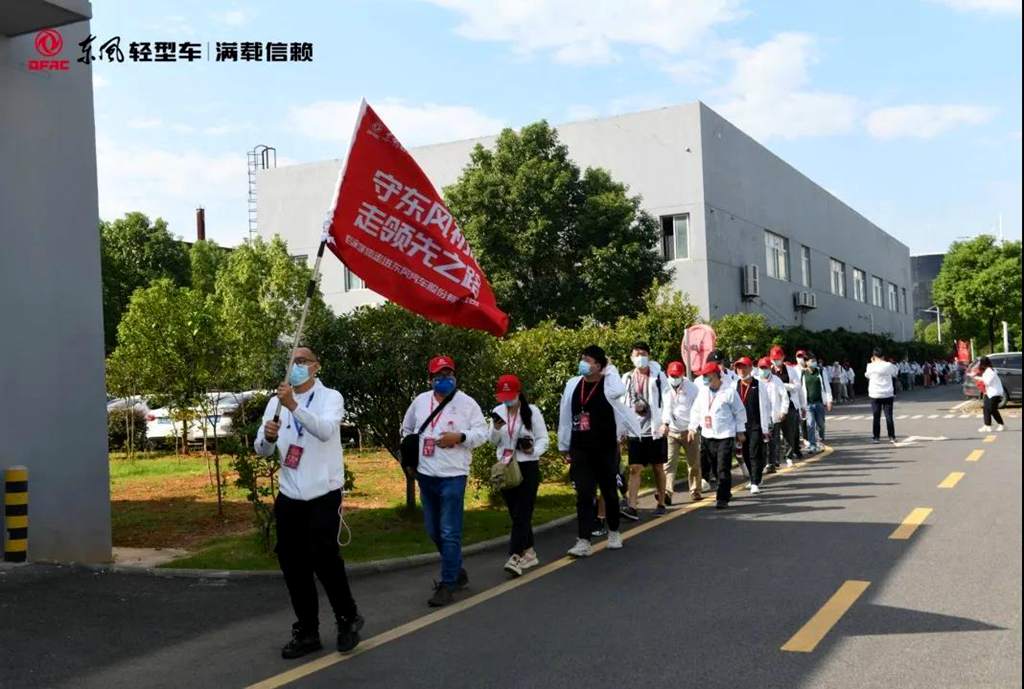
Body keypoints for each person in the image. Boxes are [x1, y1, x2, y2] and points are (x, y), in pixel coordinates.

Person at [255, 346, 363, 658]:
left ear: (316, 367)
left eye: (302, 361)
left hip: (323, 492)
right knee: (292, 564)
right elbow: (261, 449)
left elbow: (326, 431)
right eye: (292, 361)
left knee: (325, 559)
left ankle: (347, 618)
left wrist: (294, 406)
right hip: (290, 493)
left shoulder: (331, 397)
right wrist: (269, 437)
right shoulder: (275, 402)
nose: (297, 366)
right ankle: (307, 629)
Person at [401, 355, 488, 607]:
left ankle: (448, 584)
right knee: (433, 530)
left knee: (450, 531)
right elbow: (407, 429)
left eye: (448, 375)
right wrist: (410, 456)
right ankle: (457, 569)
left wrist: (459, 437)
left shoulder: (467, 404)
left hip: (453, 476)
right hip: (426, 475)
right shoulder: (419, 402)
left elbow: (482, 433)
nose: (444, 379)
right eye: (439, 376)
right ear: (430, 379)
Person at [558, 345, 641, 557]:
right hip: (580, 448)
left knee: (609, 492)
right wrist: (563, 445)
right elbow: (565, 416)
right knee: (584, 494)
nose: (583, 363)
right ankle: (583, 540)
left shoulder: (608, 385)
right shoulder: (573, 385)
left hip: (604, 447)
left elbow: (619, 390)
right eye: (582, 358)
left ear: (599, 365)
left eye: (589, 360)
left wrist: (610, 368)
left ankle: (613, 532)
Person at [490, 374, 548, 577]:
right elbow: (493, 441)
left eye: (510, 395)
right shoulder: (498, 411)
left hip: (527, 466)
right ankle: (530, 552)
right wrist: (496, 429)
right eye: (503, 395)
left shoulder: (532, 412)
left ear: (518, 393)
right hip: (506, 467)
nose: (507, 399)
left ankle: (515, 556)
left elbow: (543, 439)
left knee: (523, 513)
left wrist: (533, 450)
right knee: (516, 514)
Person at [688, 363, 747, 509]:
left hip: (725, 435)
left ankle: (722, 498)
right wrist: (692, 428)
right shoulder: (703, 392)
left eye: (706, 375)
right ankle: (725, 491)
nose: (704, 378)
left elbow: (739, 411)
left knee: (723, 467)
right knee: (714, 468)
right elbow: (696, 411)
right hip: (708, 435)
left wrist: (740, 431)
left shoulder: (729, 392)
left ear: (715, 375)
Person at [622, 341, 670, 517]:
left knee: (658, 466)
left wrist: (665, 422)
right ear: (631, 357)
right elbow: (622, 403)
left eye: (643, 354)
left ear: (648, 356)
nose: (640, 357)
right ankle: (632, 505)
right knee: (635, 467)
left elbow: (667, 399)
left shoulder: (658, 376)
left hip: (655, 428)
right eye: (636, 354)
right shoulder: (627, 377)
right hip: (636, 430)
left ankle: (662, 502)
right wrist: (622, 428)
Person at [661, 360, 702, 500]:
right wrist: (664, 424)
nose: (674, 378)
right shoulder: (664, 386)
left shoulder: (692, 389)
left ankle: (695, 490)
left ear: (683, 374)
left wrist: (693, 428)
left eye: (677, 375)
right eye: (672, 375)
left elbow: (697, 410)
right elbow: (665, 407)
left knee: (693, 463)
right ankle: (667, 492)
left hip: (688, 431)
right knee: (669, 463)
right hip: (671, 431)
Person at [733, 357, 773, 493]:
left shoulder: (758, 384)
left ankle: (755, 482)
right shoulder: (735, 385)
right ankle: (753, 477)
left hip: (756, 424)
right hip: (740, 427)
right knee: (744, 454)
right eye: (739, 368)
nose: (741, 370)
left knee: (754, 452)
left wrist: (766, 427)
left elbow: (765, 406)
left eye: (744, 367)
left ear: (751, 368)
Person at [769, 345, 805, 465]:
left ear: (783, 357)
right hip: (774, 407)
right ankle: (775, 460)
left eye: (778, 358)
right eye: (774, 359)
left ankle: (789, 455)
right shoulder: (769, 371)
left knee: (789, 433)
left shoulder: (791, 370)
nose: (776, 361)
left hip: (790, 405)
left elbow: (797, 386)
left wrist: (783, 386)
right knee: (774, 435)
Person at [757, 357, 788, 474]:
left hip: (774, 416)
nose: (763, 370)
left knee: (773, 441)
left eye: (765, 367)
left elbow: (784, 397)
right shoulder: (756, 381)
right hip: (760, 417)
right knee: (761, 442)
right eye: (761, 368)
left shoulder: (776, 380)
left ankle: (772, 463)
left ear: (770, 368)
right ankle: (763, 463)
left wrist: (783, 411)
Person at [864, 348, 899, 444]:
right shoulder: (888, 365)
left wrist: (872, 362)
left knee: (876, 416)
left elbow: (867, 375)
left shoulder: (870, 366)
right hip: (887, 393)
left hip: (875, 394)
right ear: (883, 356)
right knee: (889, 416)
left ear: (874, 356)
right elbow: (895, 373)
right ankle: (892, 436)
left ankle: (876, 437)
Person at [801, 352, 832, 453]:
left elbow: (827, 387)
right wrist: (802, 405)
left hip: (819, 402)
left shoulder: (821, 372)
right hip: (808, 403)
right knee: (810, 424)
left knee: (821, 424)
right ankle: (812, 444)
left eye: (815, 360)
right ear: (806, 362)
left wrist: (829, 400)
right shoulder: (802, 373)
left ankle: (821, 437)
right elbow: (801, 390)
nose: (814, 363)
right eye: (812, 361)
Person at [974, 357, 1006, 433]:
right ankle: (987, 426)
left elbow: (987, 382)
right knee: (986, 409)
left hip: (994, 393)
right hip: (989, 392)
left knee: (992, 409)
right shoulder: (988, 370)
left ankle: (1001, 424)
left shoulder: (990, 371)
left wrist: (978, 378)